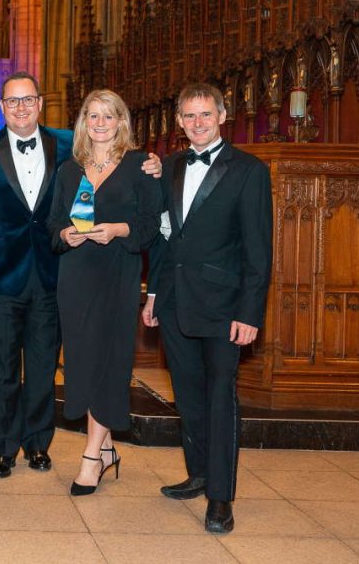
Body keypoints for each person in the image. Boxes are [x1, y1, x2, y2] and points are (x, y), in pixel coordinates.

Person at [142, 83, 272, 533]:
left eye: (205, 115)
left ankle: (220, 497)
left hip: (223, 308)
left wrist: (250, 313)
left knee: (220, 399)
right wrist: (154, 296)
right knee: (189, 397)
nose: (197, 123)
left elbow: (258, 251)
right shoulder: (169, 166)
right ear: (178, 121)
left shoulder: (249, 171)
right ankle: (198, 473)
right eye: (189, 116)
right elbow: (163, 239)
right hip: (176, 302)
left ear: (222, 116)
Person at [49, 89, 160, 496]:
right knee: (81, 362)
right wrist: (64, 235)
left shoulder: (140, 166)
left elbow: (150, 225)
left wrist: (116, 230)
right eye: (92, 116)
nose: (99, 123)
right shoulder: (68, 170)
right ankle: (108, 447)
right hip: (75, 276)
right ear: (83, 122)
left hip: (117, 274)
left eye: (108, 116)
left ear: (121, 121)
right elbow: (52, 227)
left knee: (108, 361)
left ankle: (91, 458)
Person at [0, 73, 73, 478]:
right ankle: (1, 448)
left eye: (27, 100)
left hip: (52, 270)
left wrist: (149, 164)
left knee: (43, 365)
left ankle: (37, 443)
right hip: (1, 272)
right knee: (0, 367)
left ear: (40, 102)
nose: (20, 108)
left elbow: (112, 154)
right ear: (1, 107)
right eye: (12, 102)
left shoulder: (68, 144)